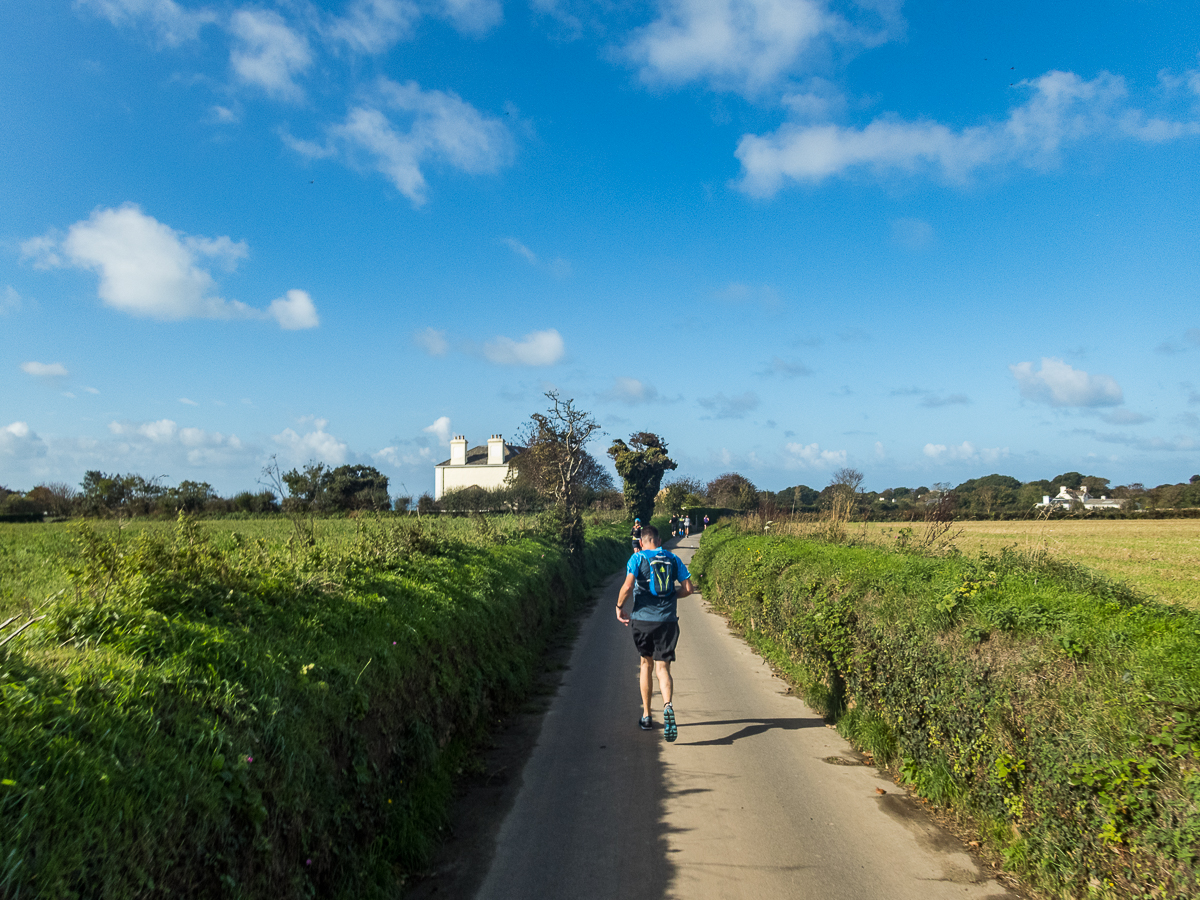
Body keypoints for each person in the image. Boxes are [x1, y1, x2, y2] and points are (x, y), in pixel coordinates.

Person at [615, 525, 693, 742]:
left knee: (645, 665)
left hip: (642, 620)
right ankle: (667, 705)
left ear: (641, 542)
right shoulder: (673, 559)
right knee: (663, 668)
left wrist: (619, 606)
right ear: (658, 541)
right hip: (667, 621)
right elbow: (688, 589)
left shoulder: (637, 559)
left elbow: (628, 586)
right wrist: (670, 596)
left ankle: (647, 716)